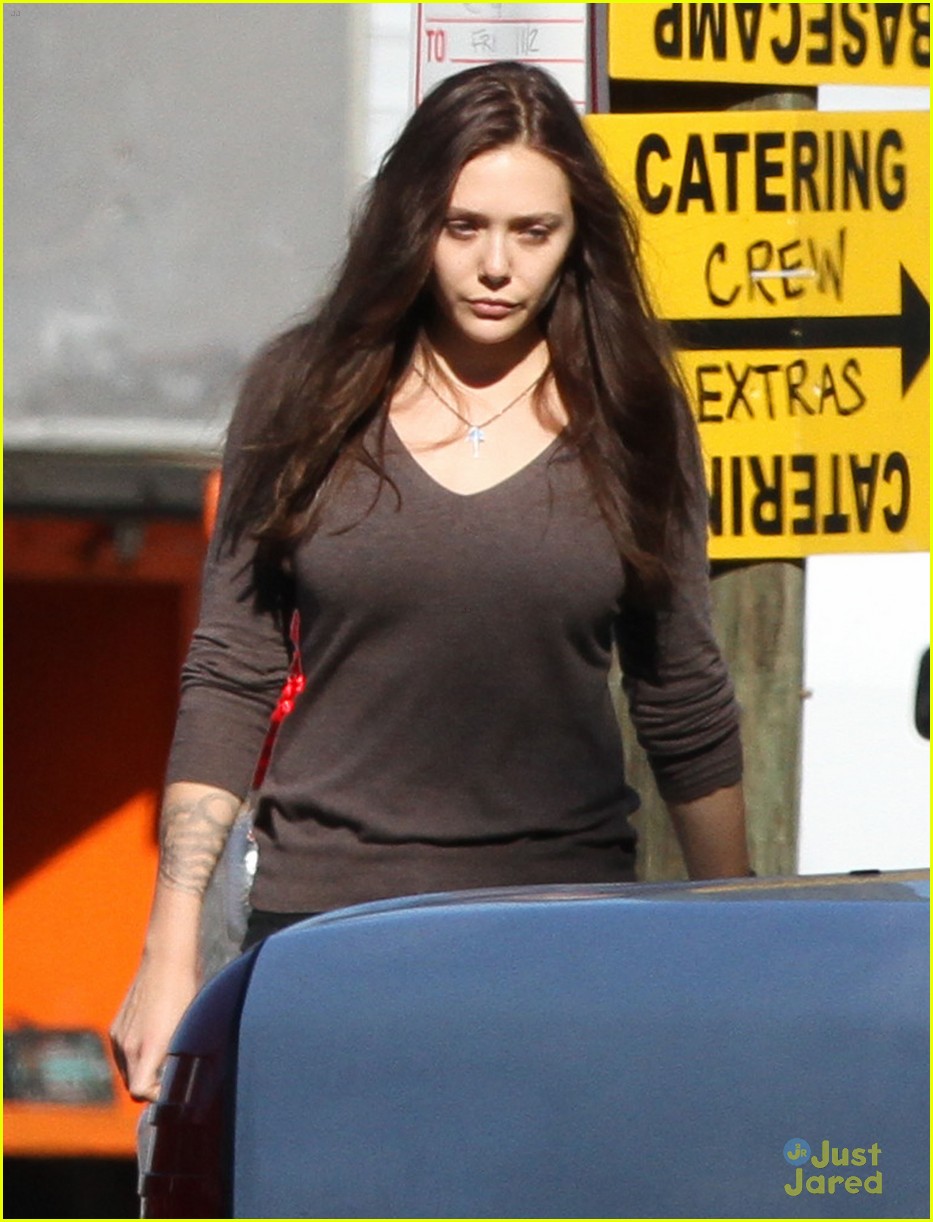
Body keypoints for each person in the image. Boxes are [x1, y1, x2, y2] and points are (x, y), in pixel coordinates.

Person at [111, 61, 751, 1103]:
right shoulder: (304, 393)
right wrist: (168, 949)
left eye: (533, 233)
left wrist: (741, 943)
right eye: (463, 227)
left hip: (565, 943)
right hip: (326, 939)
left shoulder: (633, 412)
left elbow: (681, 691)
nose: (497, 265)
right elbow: (230, 672)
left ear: (577, 237)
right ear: (412, 223)